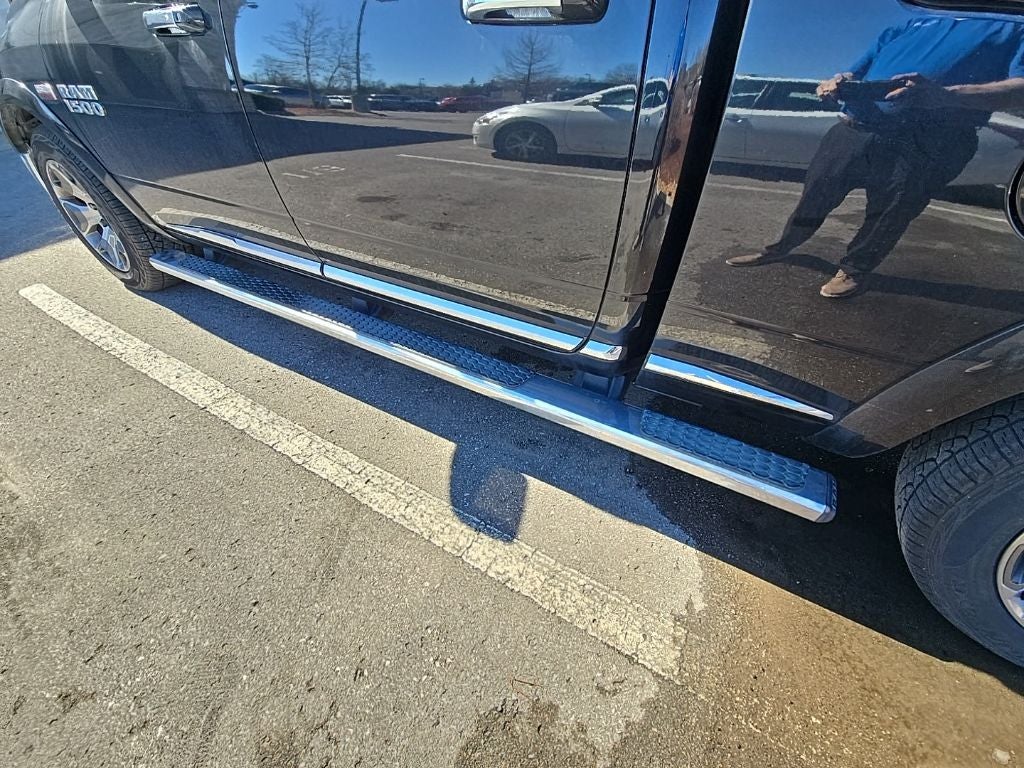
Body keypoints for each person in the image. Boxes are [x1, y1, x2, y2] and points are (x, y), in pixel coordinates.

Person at [726, 15, 1024, 298]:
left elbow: (1020, 88)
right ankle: (779, 247)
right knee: (816, 192)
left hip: (934, 139)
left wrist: (945, 95)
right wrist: (837, 83)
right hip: (857, 127)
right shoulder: (912, 23)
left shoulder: (1012, 25)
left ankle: (854, 269)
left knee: (892, 209)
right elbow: (854, 72)